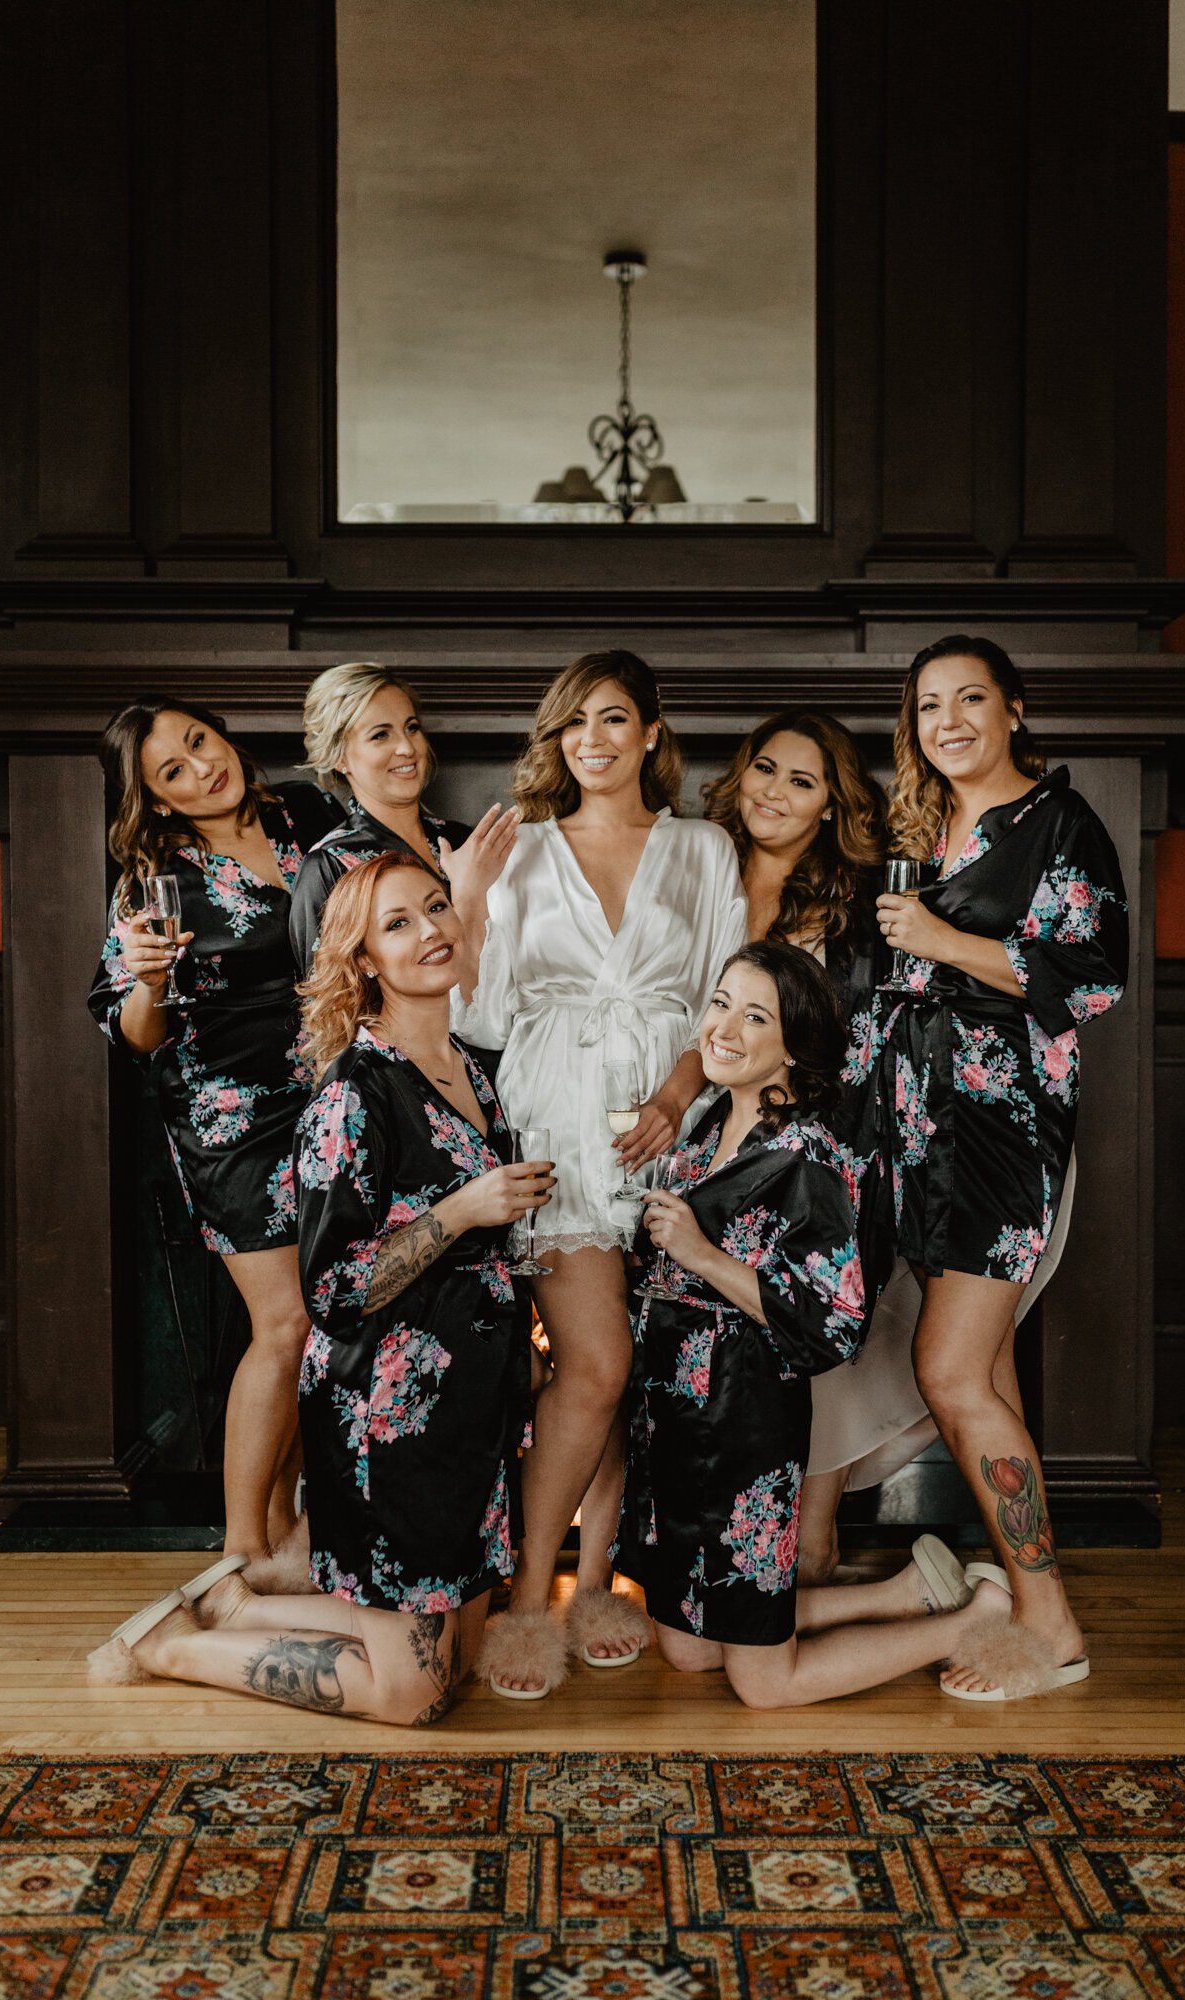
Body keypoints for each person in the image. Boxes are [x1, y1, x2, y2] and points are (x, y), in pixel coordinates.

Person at [88, 851, 551, 1724]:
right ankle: (170, 1647)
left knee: (462, 1659)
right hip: (387, 1426)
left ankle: (239, 1606)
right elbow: (335, 1292)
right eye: (398, 924)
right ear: (365, 960)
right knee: (413, 1701)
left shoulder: (476, 1070)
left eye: (437, 907)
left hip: (471, 1414)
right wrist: (461, 1211)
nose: (431, 931)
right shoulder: (351, 1094)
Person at [705, 709, 1079, 1585]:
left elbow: (913, 1018)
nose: (775, 791)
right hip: (711, 1141)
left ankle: (843, 1550)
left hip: (845, 1145)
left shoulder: (864, 900)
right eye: (765, 768)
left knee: (875, 1342)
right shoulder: (695, 868)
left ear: (833, 806)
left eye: (804, 781)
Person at [449, 650, 748, 1696]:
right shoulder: (521, 849)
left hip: (675, 1127)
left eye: (613, 718)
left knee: (635, 1368)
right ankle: (534, 1596)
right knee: (597, 1361)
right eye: (572, 722)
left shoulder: (703, 849)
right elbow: (477, 1018)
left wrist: (677, 1094)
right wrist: (469, 896)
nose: (592, 739)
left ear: (652, 732)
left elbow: (727, 992)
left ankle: (603, 1580)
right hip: (555, 1124)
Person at [616, 941, 1014, 1707]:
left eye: (754, 1015)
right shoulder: (705, 1129)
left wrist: (699, 1255)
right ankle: (901, 1598)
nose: (724, 1028)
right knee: (689, 1647)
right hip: (675, 1427)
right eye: (721, 1003)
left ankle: (967, 1622)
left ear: (793, 1048)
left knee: (763, 1685)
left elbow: (831, 1324)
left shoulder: (812, 1157)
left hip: (741, 1427)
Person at [873, 633, 1128, 1699]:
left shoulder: (1059, 824)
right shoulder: (926, 828)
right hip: (920, 1135)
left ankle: (1052, 1621)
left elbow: (1093, 977)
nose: (948, 721)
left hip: (1002, 1132)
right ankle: (1025, 1604)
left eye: (970, 698)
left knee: (946, 1370)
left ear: (1013, 708)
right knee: (984, 1372)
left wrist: (940, 939)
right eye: (930, 705)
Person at [87, 700, 343, 1572]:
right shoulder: (154, 881)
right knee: (287, 1323)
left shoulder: (307, 814)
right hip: (231, 1118)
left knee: (332, 1316)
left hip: (337, 1099)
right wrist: (151, 981)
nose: (201, 769)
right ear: (155, 802)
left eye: (199, 742)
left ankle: (283, 1523)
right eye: (172, 772)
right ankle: (240, 1554)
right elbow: (129, 1033)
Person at [290, 660, 510, 975]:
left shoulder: (464, 840)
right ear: (339, 756)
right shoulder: (329, 867)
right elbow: (325, 1002)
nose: (407, 747)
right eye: (381, 735)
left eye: (412, 728)